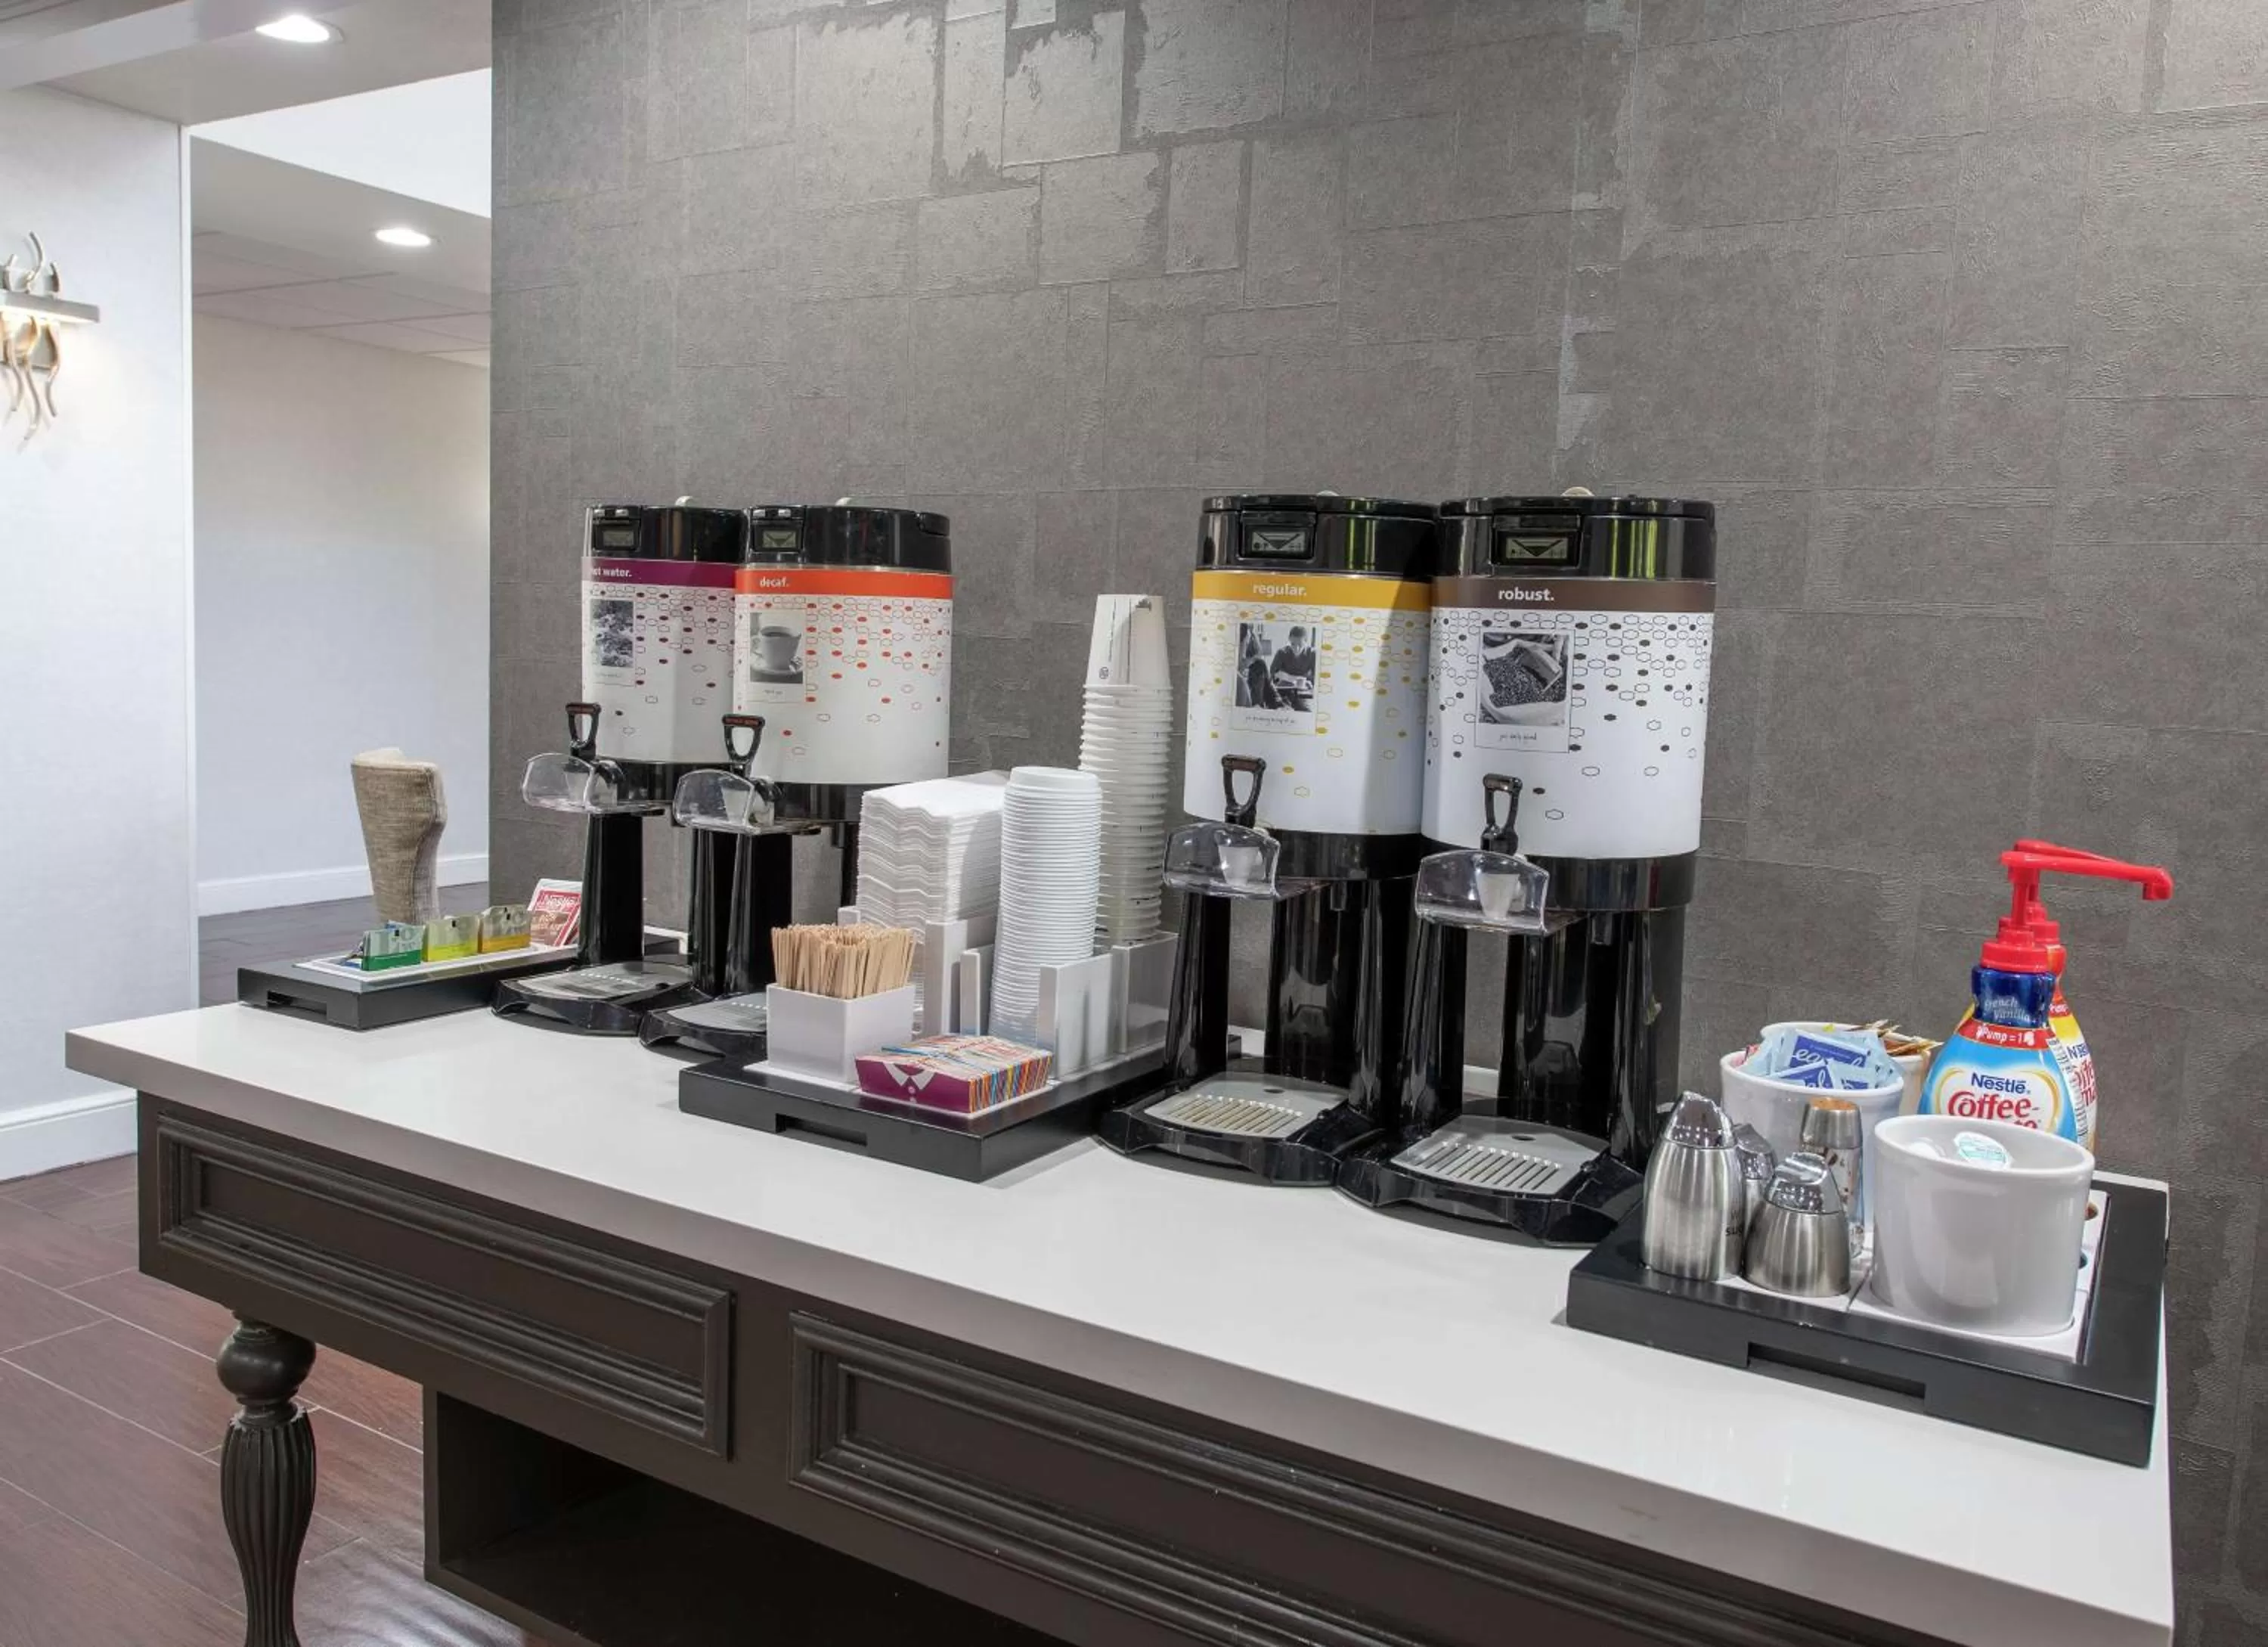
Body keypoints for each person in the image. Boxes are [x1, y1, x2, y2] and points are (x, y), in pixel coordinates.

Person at [1269, 625, 1316, 712]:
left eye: (1300, 645)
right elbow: (1272, 674)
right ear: (1289, 640)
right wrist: (1292, 678)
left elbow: (1316, 677)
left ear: (1306, 641)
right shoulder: (1282, 652)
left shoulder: (1313, 654)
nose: (1296, 649)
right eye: (1293, 644)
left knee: (1305, 710)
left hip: (1303, 692)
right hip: (1283, 691)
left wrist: (1289, 677)